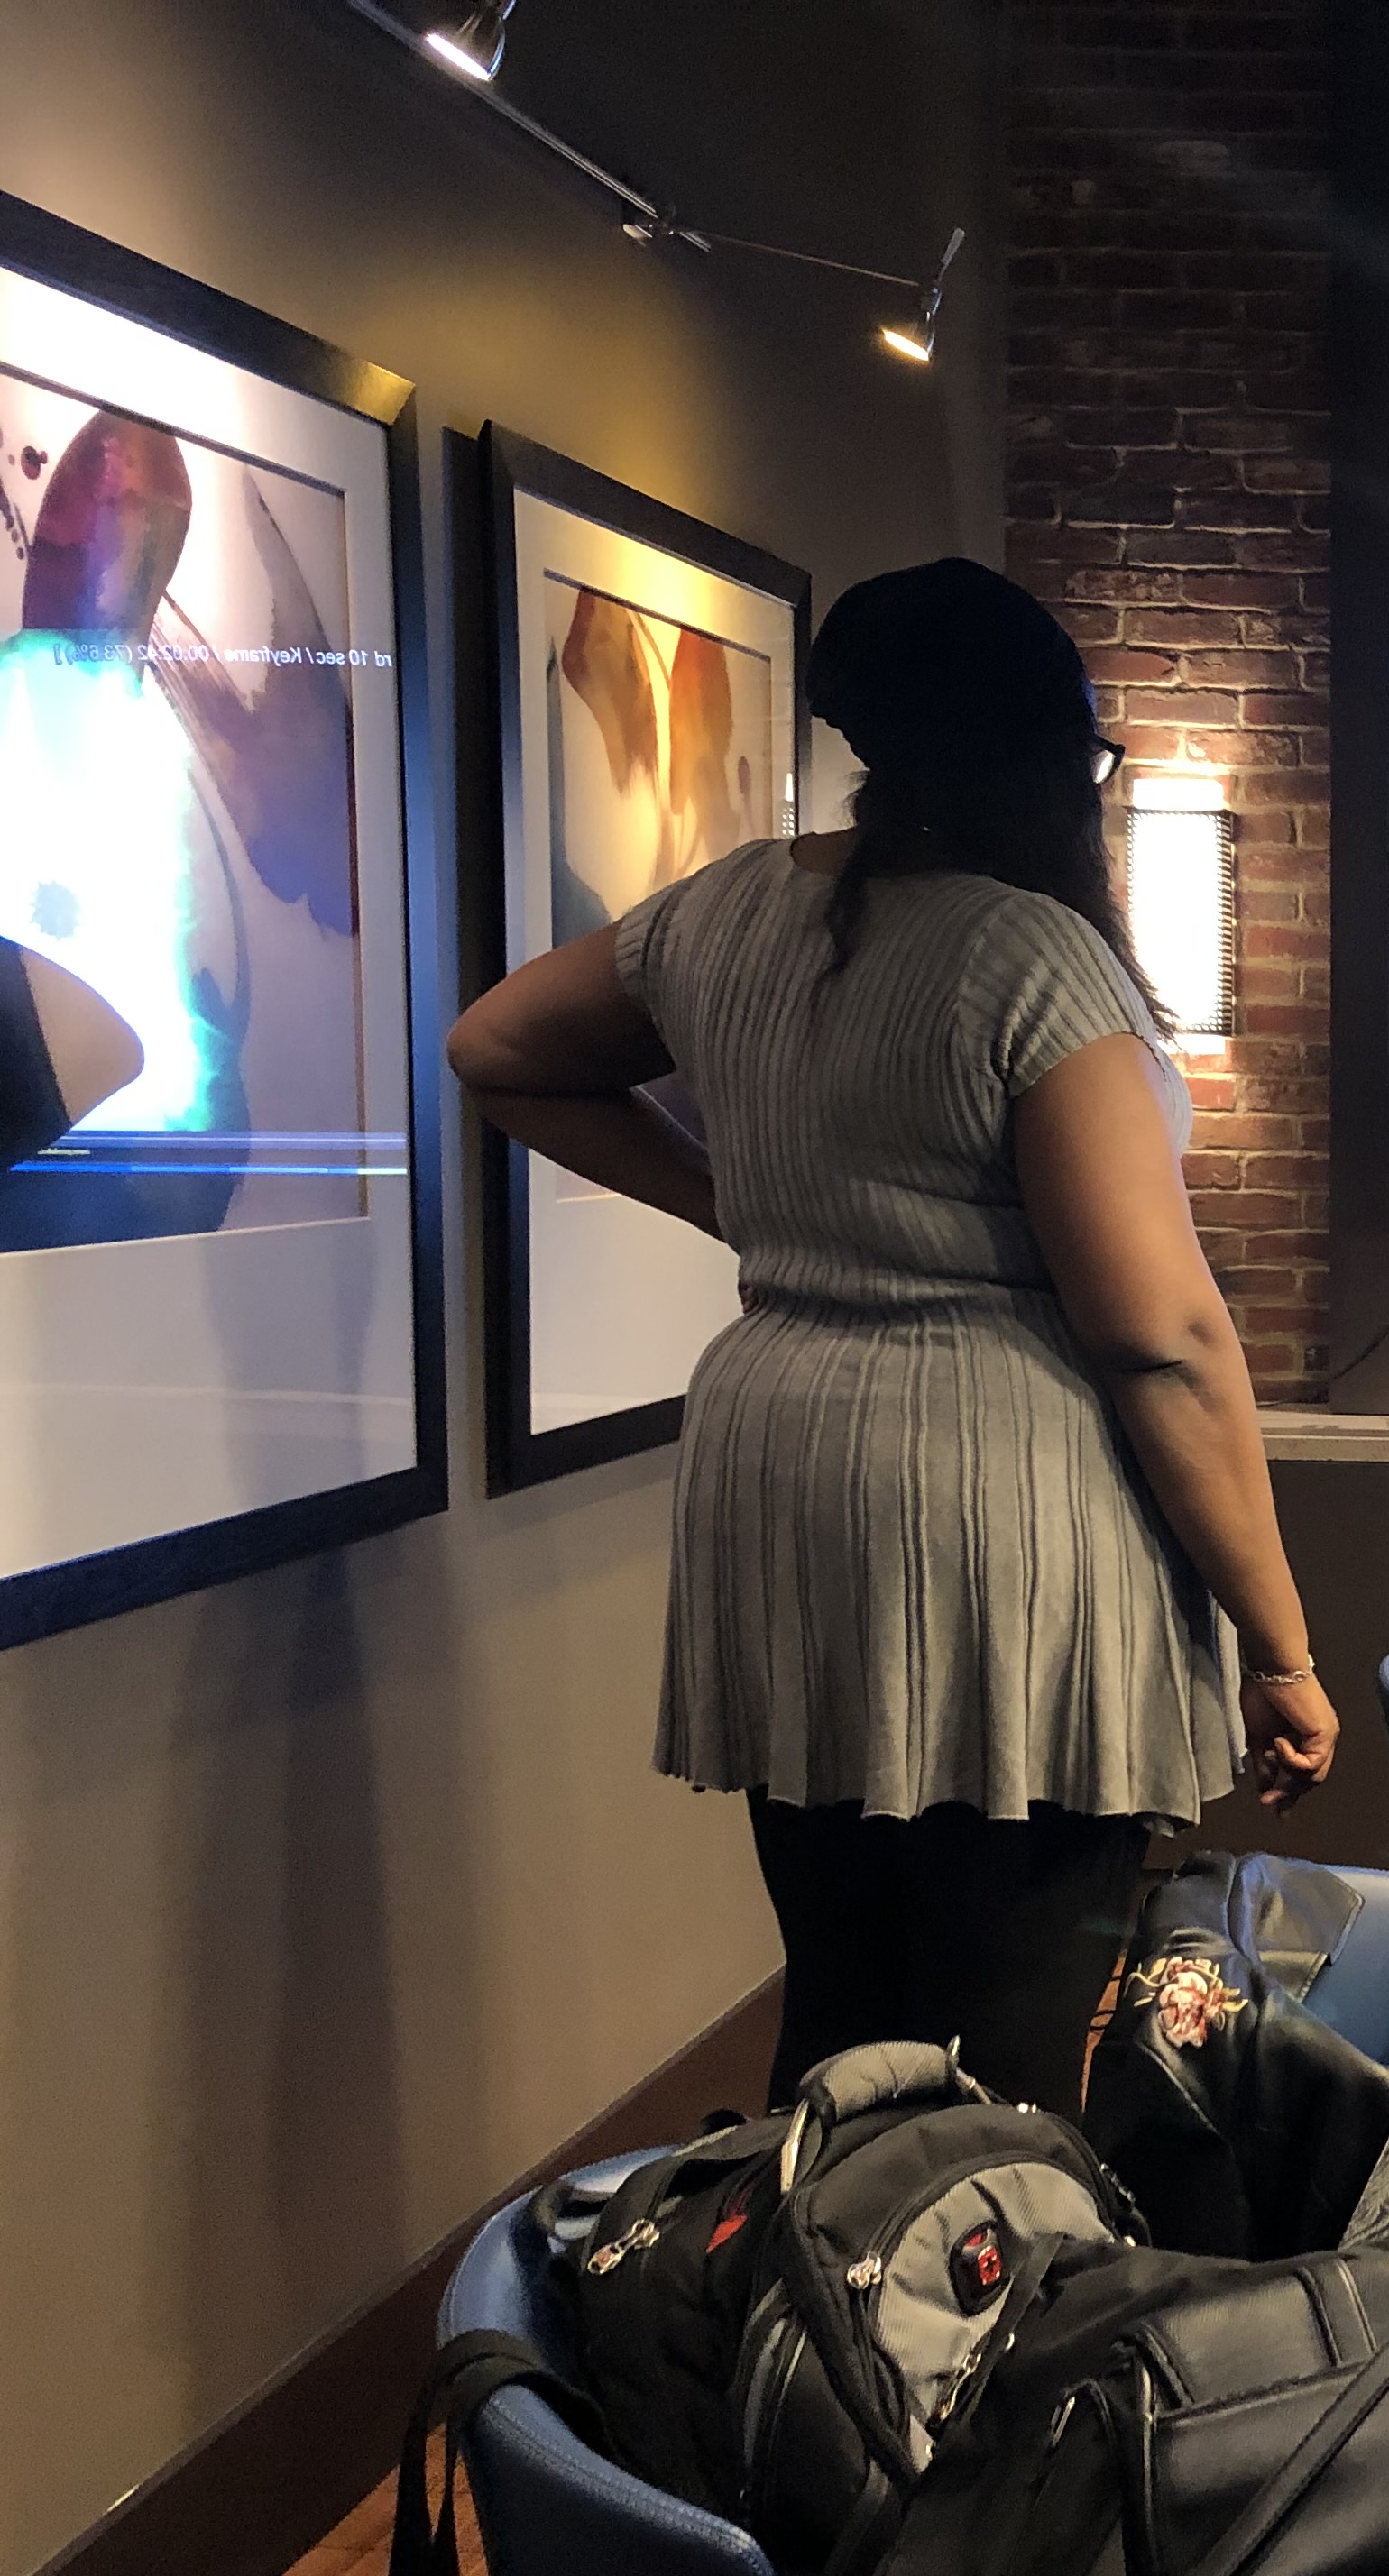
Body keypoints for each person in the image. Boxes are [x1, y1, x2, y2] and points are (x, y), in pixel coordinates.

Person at [446, 557, 1337, 2115]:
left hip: (782, 1462)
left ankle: (814, 2264)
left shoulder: (725, 908)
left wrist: (745, 1207)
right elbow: (1162, 1337)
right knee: (1013, 2021)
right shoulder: (1027, 956)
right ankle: (986, 2269)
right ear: (1043, 752)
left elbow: (494, 1044)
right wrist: (1281, 1648)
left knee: (843, 1985)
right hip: (987, 1500)